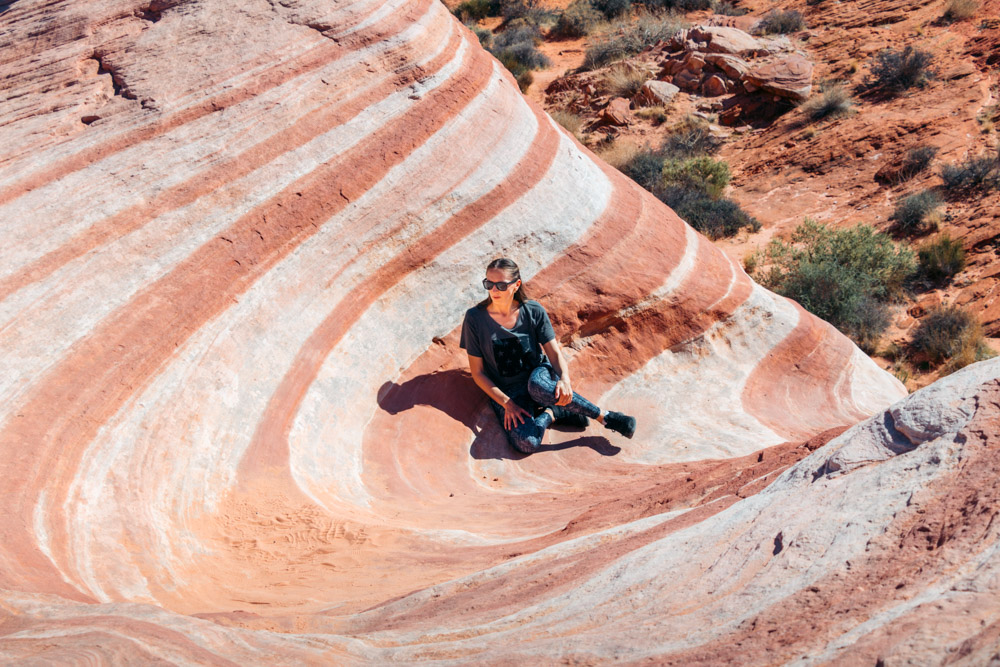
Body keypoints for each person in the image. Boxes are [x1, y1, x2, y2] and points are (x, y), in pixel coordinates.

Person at [460, 257, 637, 454]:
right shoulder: (474, 318)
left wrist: (564, 380)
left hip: (538, 376)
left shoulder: (533, 310)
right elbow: (478, 373)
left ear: (516, 285)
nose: (494, 290)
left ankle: (606, 417)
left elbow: (553, 353)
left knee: (537, 385)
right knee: (527, 443)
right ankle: (554, 412)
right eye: (489, 284)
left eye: (501, 285)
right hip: (508, 390)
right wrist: (506, 403)